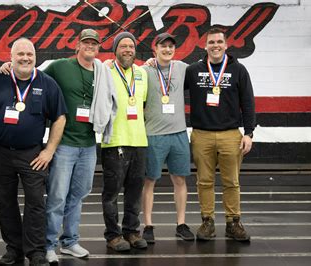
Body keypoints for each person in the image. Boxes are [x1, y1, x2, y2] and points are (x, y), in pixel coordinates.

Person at [0, 29, 116, 263]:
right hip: (64, 144)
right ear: (78, 46)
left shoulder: (103, 72)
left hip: (89, 143)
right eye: (86, 43)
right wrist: (8, 66)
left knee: (78, 195)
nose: (90, 46)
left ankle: (70, 241)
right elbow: (30, 73)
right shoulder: (60, 66)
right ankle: (49, 243)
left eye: (94, 43)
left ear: (98, 47)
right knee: (57, 197)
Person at [0, 37, 67, 266]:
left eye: (29, 54)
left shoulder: (47, 83)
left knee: (35, 203)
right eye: (20, 54)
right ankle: (14, 249)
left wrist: (49, 151)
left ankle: (36, 251)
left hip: (32, 154)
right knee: (4, 202)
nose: (25, 58)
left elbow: (60, 117)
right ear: (10, 58)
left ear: (35, 57)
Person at [184, 27, 256, 242]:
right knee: (204, 181)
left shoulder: (239, 70)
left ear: (226, 45)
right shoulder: (193, 70)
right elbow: (172, 85)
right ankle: (207, 222)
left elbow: (248, 102)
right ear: (205, 46)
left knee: (231, 182)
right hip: (201, 134)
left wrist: (249, 132)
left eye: (219, 42)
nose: (215, 46)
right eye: (211, 42)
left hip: (230, 135)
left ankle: (233, 222)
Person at [141, 33, 194, 244]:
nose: (168, 49)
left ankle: (181, 224)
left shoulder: (183, 68)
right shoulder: (145, 70)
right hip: (154, 135)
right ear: (155, 48)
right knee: (150, 181)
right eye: (163, 46)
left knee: (179, 180)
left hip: (179, 133)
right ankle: (147, 225)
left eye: (171, 46)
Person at [102, 31, 149, 252]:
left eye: (131, 46)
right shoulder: (104, 70)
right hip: (114, 142)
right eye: (123, 46)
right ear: (115, 50)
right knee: (111, 193)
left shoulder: (142, 73)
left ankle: (131, 231)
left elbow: (143, 104)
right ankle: (113, 235)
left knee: (134, 192)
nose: (128, 50)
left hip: (139, 141)